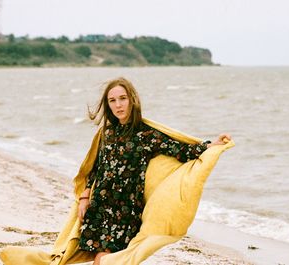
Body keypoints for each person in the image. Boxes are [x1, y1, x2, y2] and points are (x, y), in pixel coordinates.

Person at [76, 77, 231, 265]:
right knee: (104, 259)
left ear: (132, 99)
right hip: (100, 205)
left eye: (122, 98)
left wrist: (211, 146)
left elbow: (181, 150)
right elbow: (97, 168)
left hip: (125, 210)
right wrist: (85, 197)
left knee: (112, 260)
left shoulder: (147, 134)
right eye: (113, 100)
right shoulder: (106, 133)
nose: (118, 105)